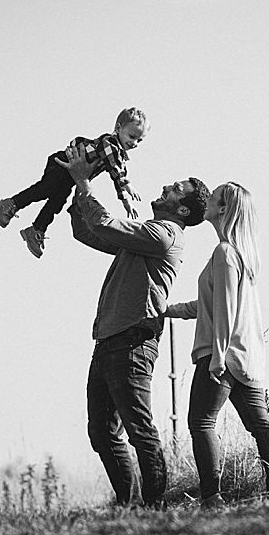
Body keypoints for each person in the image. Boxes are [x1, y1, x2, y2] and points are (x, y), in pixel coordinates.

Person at [57, 143, 210, 510]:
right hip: (110, 339)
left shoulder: (164, 235)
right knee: (102, 432)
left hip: (133, 341)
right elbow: (92, 233)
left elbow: (105, 223)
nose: (166, 187)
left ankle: (155, 507)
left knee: (140, 430)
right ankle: (129, 504)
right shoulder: (145, 237)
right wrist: (78, 192)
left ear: (183, 209)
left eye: (176, 189)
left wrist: (85, 185)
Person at [165, 182, 269, 508]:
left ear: (222, 209)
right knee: (259, 424)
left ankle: (211, 498)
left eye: (214, 197)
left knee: (201, 422)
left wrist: (217, 357)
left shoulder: (224, 253)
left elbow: (226, 311)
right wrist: (167, 310)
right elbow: (211, 305)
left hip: (222, 354)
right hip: (245, 354)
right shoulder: (238, 255)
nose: (207, 200)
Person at [0, 107, 148, 258]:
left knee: (58, 201)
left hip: (71, 176)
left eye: (139, 140)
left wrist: (125, 200)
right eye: (132, 136)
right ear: (119, 128)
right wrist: (126, 189)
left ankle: (37, 229)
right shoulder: (109, 144)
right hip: (62, 163)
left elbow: (118, 170)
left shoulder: (118, 154)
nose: (134, 143)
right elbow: (116, 171)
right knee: (45, 189)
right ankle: (12, 203)